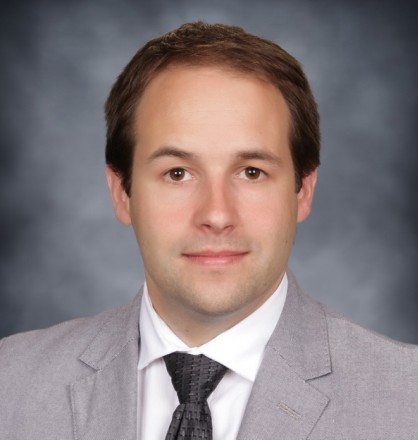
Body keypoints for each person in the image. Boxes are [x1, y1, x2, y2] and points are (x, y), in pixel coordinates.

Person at [0, 21, 417, 440]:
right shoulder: (10, 383)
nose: (217, 215)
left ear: (303, 191)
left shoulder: (407, 400)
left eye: (251, 172)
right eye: (177, 173)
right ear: (122, 193)